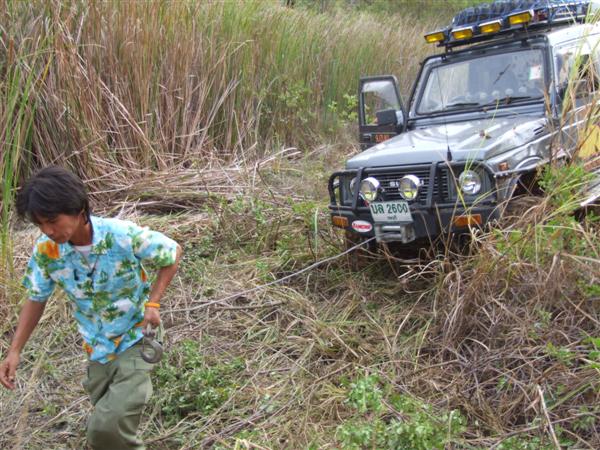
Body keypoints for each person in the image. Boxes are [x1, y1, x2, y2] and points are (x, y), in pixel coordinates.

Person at [0, 166, 182, 449]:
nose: (48, 231)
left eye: (52, 221)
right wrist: (15, 350)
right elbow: (36, 297)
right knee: (111, 431)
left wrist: (153, 302)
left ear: (78, 209)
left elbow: (172, 252)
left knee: (105, 427)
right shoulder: (47, 251)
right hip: (96, 351)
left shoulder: (120, 235)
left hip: (136, 338)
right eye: (40, 224)